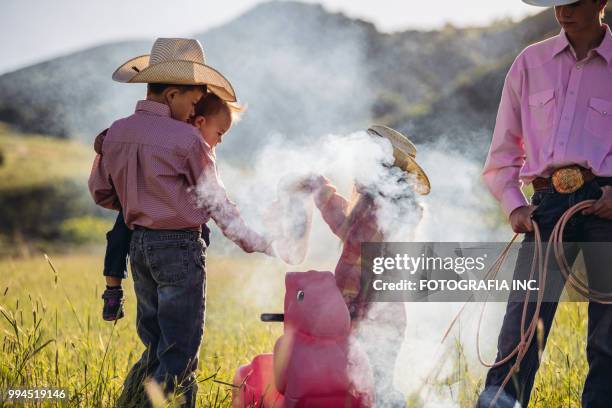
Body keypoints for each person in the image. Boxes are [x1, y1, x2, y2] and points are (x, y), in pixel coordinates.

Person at [88, 38, 272, 407]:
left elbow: (102, 193)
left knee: (156, 344)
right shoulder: (187, 140)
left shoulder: (115, 133)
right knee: (180, 350)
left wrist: (142, 195)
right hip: (179, 250)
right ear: (173, 94)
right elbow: (216, 202)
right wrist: (255, 241)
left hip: (139, 248)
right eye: (192, 103)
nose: (193, 113)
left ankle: (130, 402)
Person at [478, 1, 612, 407]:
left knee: (609, 338)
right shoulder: (529, 63)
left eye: (573, 2)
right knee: (519, 328)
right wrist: (514, 204)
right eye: (557, 2)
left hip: (607, 205)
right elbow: (503, 151)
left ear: (600, 2)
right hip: (545, 207)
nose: (562, 12)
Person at [282, 125, 429, 407]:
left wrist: (320, 188)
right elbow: (350, 231)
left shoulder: (377, 205)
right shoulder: (391, 205)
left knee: (368, 387)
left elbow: (351, 238)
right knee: (375, 385)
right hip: (386, 315)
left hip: (367, 314)